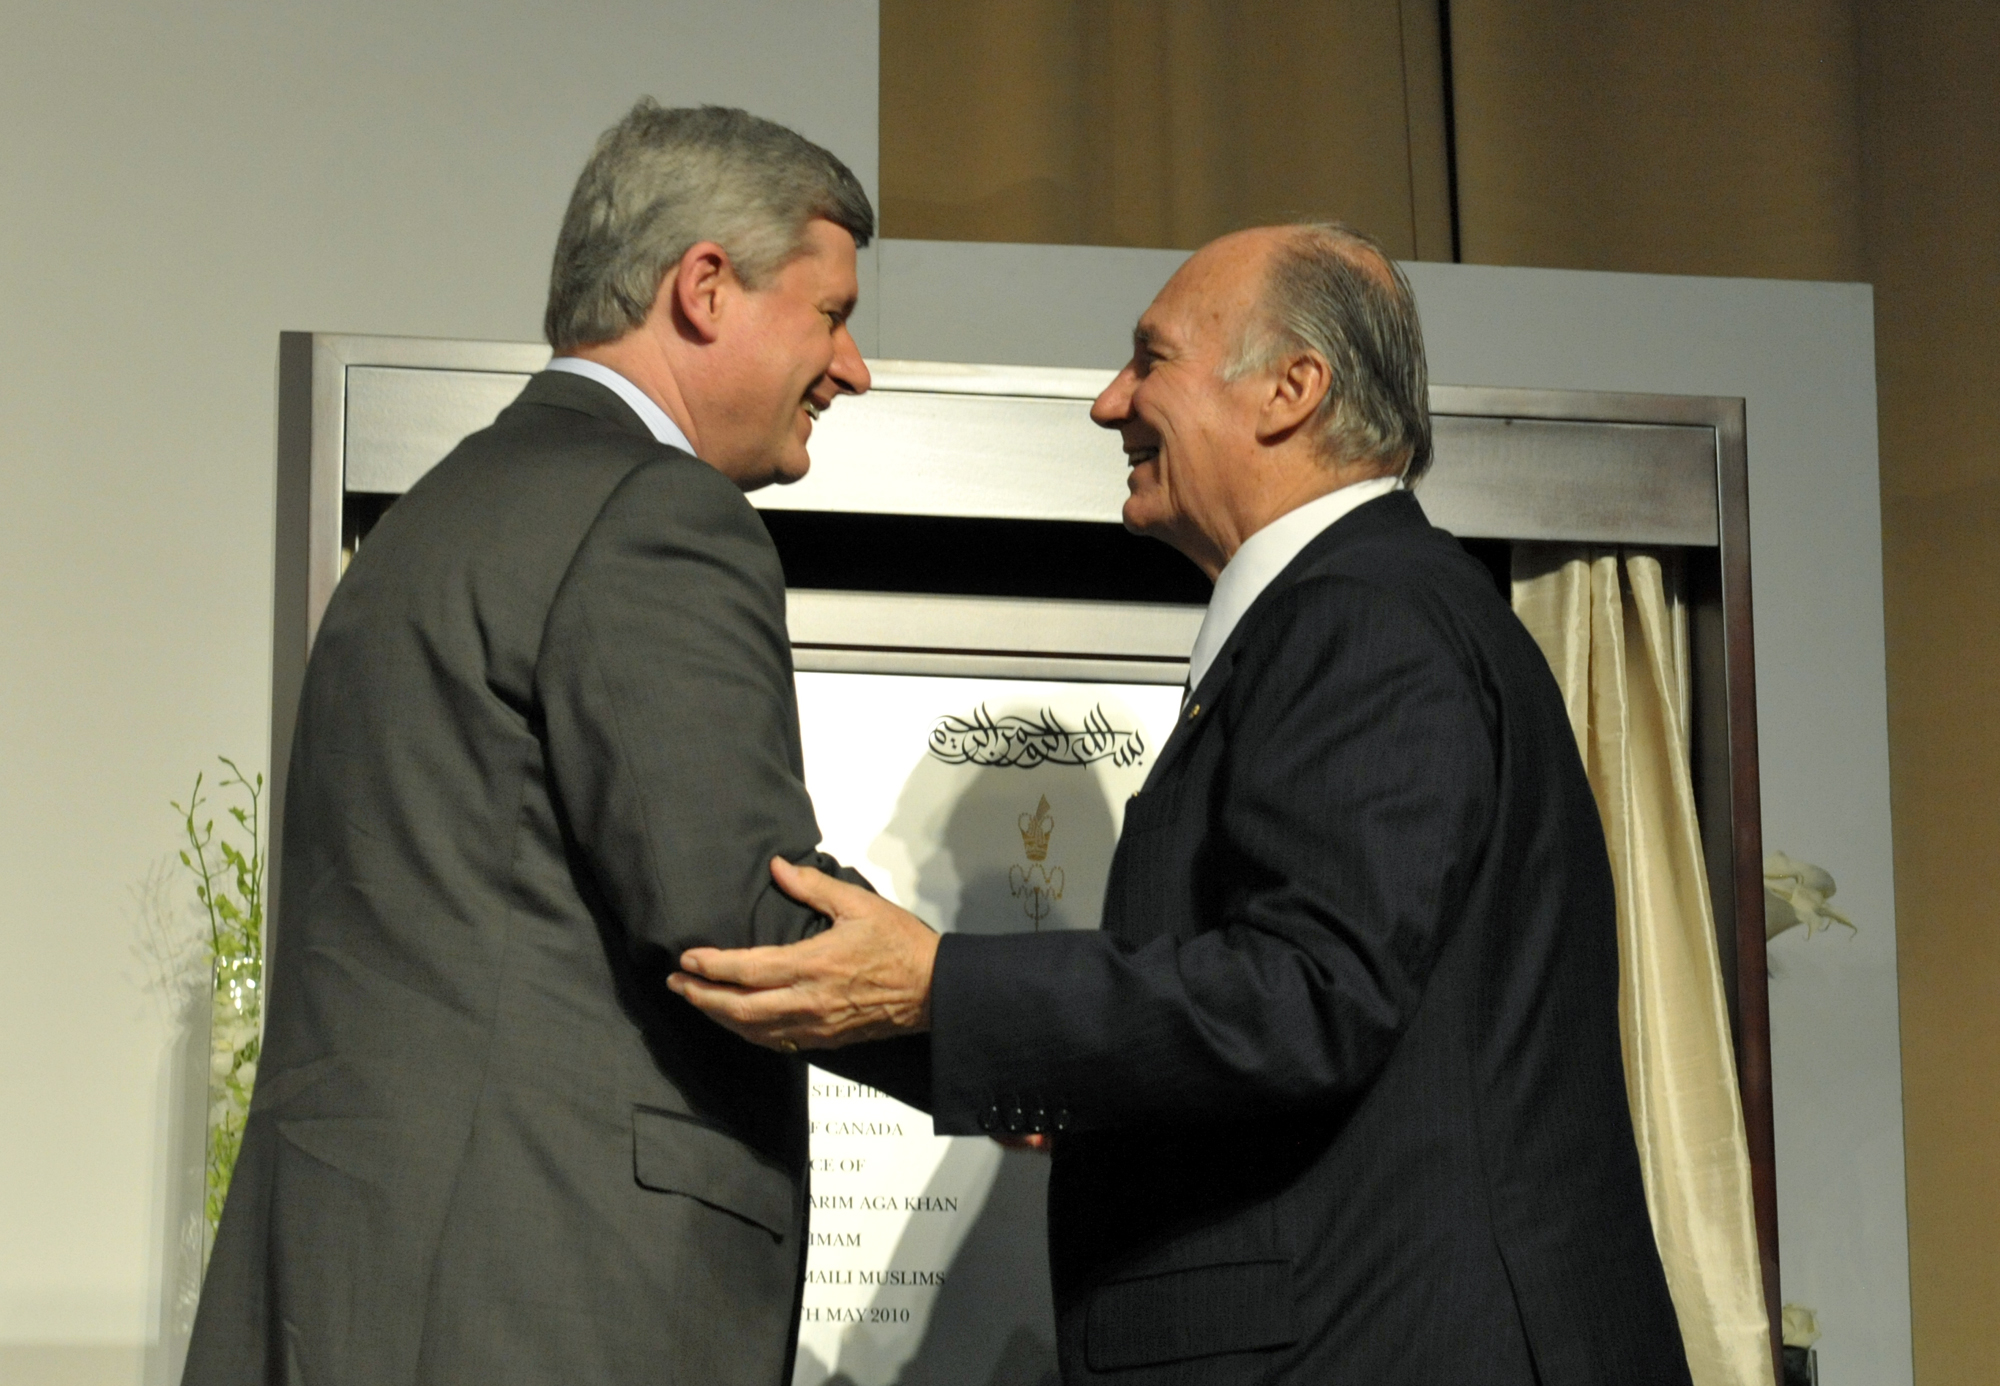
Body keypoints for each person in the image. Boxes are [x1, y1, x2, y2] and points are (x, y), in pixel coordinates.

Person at [672, 224, 1696, 1384]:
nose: (1110, 403)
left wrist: (938, 986)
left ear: (1288, 390)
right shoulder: (1365, 610)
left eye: (1148, 359)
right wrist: (915, 1010)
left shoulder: (1366, 619)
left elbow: (1310, 994)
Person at [184, 101, 881, 1386]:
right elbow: (736, 913)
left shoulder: (433, 518)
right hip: (537, 1302)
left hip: (362, 1290)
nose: (852, 368)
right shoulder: (655, 513)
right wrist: (1007, 1035)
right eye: (830, 314)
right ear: (706, 287)